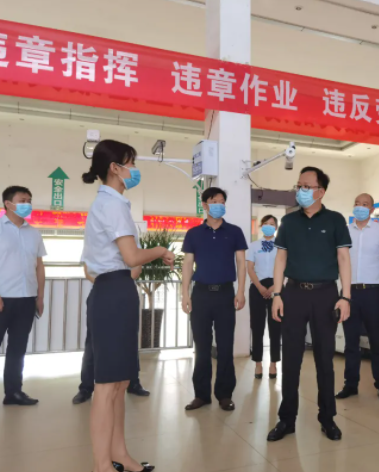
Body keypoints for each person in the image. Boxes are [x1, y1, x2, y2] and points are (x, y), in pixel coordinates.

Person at [81, 139, 175, 472]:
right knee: (107, 386)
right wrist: (160, 250)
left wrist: (132, 266)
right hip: (112, 294)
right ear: (115, 168)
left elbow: (123, 261)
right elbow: (132, 256)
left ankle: (119, 453)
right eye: (131, 163)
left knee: (120, 382)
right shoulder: (111, 205)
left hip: (118, 289)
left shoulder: (113, 203)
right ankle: (101, 464)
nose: (134, 170)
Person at [267, 166, 352, 442]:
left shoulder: (336, 220)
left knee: (324, 359)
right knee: (291, 359)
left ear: (320, 191)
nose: (300, 190)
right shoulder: (288, 221)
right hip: (293, 293)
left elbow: (343, 259)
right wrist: (277, 294)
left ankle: (327, 418)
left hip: (326, 294)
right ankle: (286, 419)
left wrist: (345, 296)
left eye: (306, 186)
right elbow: (280, 259)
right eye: (299, 185)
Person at [181, 187, 248, 412]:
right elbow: (187, 264)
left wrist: (241, 291)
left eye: (222, 201)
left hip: (225, 294)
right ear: (205, 205)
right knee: (202, 347)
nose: (219, 204)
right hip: (200, 294)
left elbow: (241, 263)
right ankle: (201, 395)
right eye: (214, 201)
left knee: (225, 347)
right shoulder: (193, 233)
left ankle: (225, 394)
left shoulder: (235, 232)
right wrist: (185, 293)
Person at [336, 193, 379, 401]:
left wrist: (377, 277)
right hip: (349, 293)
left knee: (376, 341)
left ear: (372, 209)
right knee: (351, 342)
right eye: (357, 203)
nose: (360, 207)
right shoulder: (344, 231)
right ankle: (350, 385)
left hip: (372, 292)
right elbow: (339, 258)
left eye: (365, 204)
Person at [72, 265, 150, 405]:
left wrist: (117, 283)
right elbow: (88, 272)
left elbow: (137, 269)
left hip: (124, 297)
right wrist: (108, 284)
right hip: (101, 296)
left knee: (128, 340)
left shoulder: (130, 253)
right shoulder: (95, 251)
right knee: (93, 342)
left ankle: (133, 383)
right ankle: (86, 387)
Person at [0, 186, 45, 406]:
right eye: (22, 200)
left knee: (17, 349)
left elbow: (39, 266)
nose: (27, 204)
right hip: (2, 298)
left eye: (29, 200)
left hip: (27, 299)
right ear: (8, 204)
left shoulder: (34, 233)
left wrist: (40, 297)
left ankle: (13, 393)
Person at [246, 215, 281, 380]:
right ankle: (258, 363)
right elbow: (250, 268)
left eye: (272, 224)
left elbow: (284, 268)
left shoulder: (282, 245)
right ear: (261, 226)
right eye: (266, 224)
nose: (269, 226)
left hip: (276, 288)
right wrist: (260, 287)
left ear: (276, 227)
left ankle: (273, 363)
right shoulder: (254, 246)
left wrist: (274, 288)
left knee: (276, 327)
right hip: (257, 287)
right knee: (257, 327)